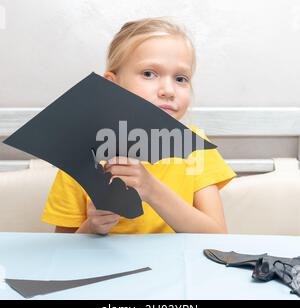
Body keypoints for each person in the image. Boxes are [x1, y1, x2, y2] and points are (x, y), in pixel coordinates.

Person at [41, 17, 236, 235]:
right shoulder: (79, 153)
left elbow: (217, 235)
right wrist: (93, 226)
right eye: (149, 74)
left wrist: (150, 188)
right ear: (111, 85)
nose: (168, 90)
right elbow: (63, 253)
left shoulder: (195, 147)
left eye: (180, 78)